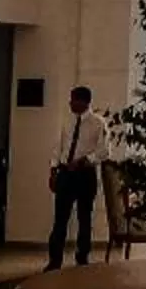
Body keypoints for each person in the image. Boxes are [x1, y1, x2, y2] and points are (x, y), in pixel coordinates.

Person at [45, 85, 103, 269]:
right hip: (65, 174)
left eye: (74, 99)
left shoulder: (98, 123)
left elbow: (104, 151)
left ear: (84, 101)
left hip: (85, 175)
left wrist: (85, 160)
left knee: (84, 218)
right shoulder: (67, 122)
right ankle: (55, 260)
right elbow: (58, 147)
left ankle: (82, 257)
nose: (70, 103)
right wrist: (53, 171)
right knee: (60, 218)